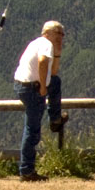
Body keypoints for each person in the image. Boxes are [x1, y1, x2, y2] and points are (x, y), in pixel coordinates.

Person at [13, 20, 66, 181]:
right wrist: (43, 87)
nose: (61, 37)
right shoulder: (45, 43)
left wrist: (57, 53)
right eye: (58, 33)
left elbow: (54, 72)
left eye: (62, 34)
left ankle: (55, 119)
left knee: (55, 82)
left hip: (22, 86)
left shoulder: (37, 43)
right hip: (33, 88)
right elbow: (43, 62)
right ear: (47, 32)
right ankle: (27, 170)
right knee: (32, 129)